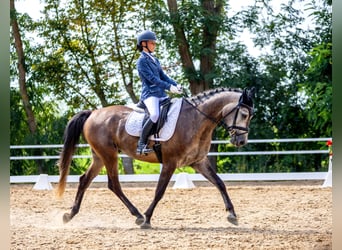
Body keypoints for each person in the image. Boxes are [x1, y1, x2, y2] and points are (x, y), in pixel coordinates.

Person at [135, 30, 183, 155]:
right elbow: (152, 79)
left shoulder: (155, 60)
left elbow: (163, 76)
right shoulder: (141, 61)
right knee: (155, 115)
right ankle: (141, 143)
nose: (154, 45)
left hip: (161, 94)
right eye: (152, 43)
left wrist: (174, 84)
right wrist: (168, 87)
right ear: (143, 44)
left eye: (155, 43)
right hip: (150, 94)